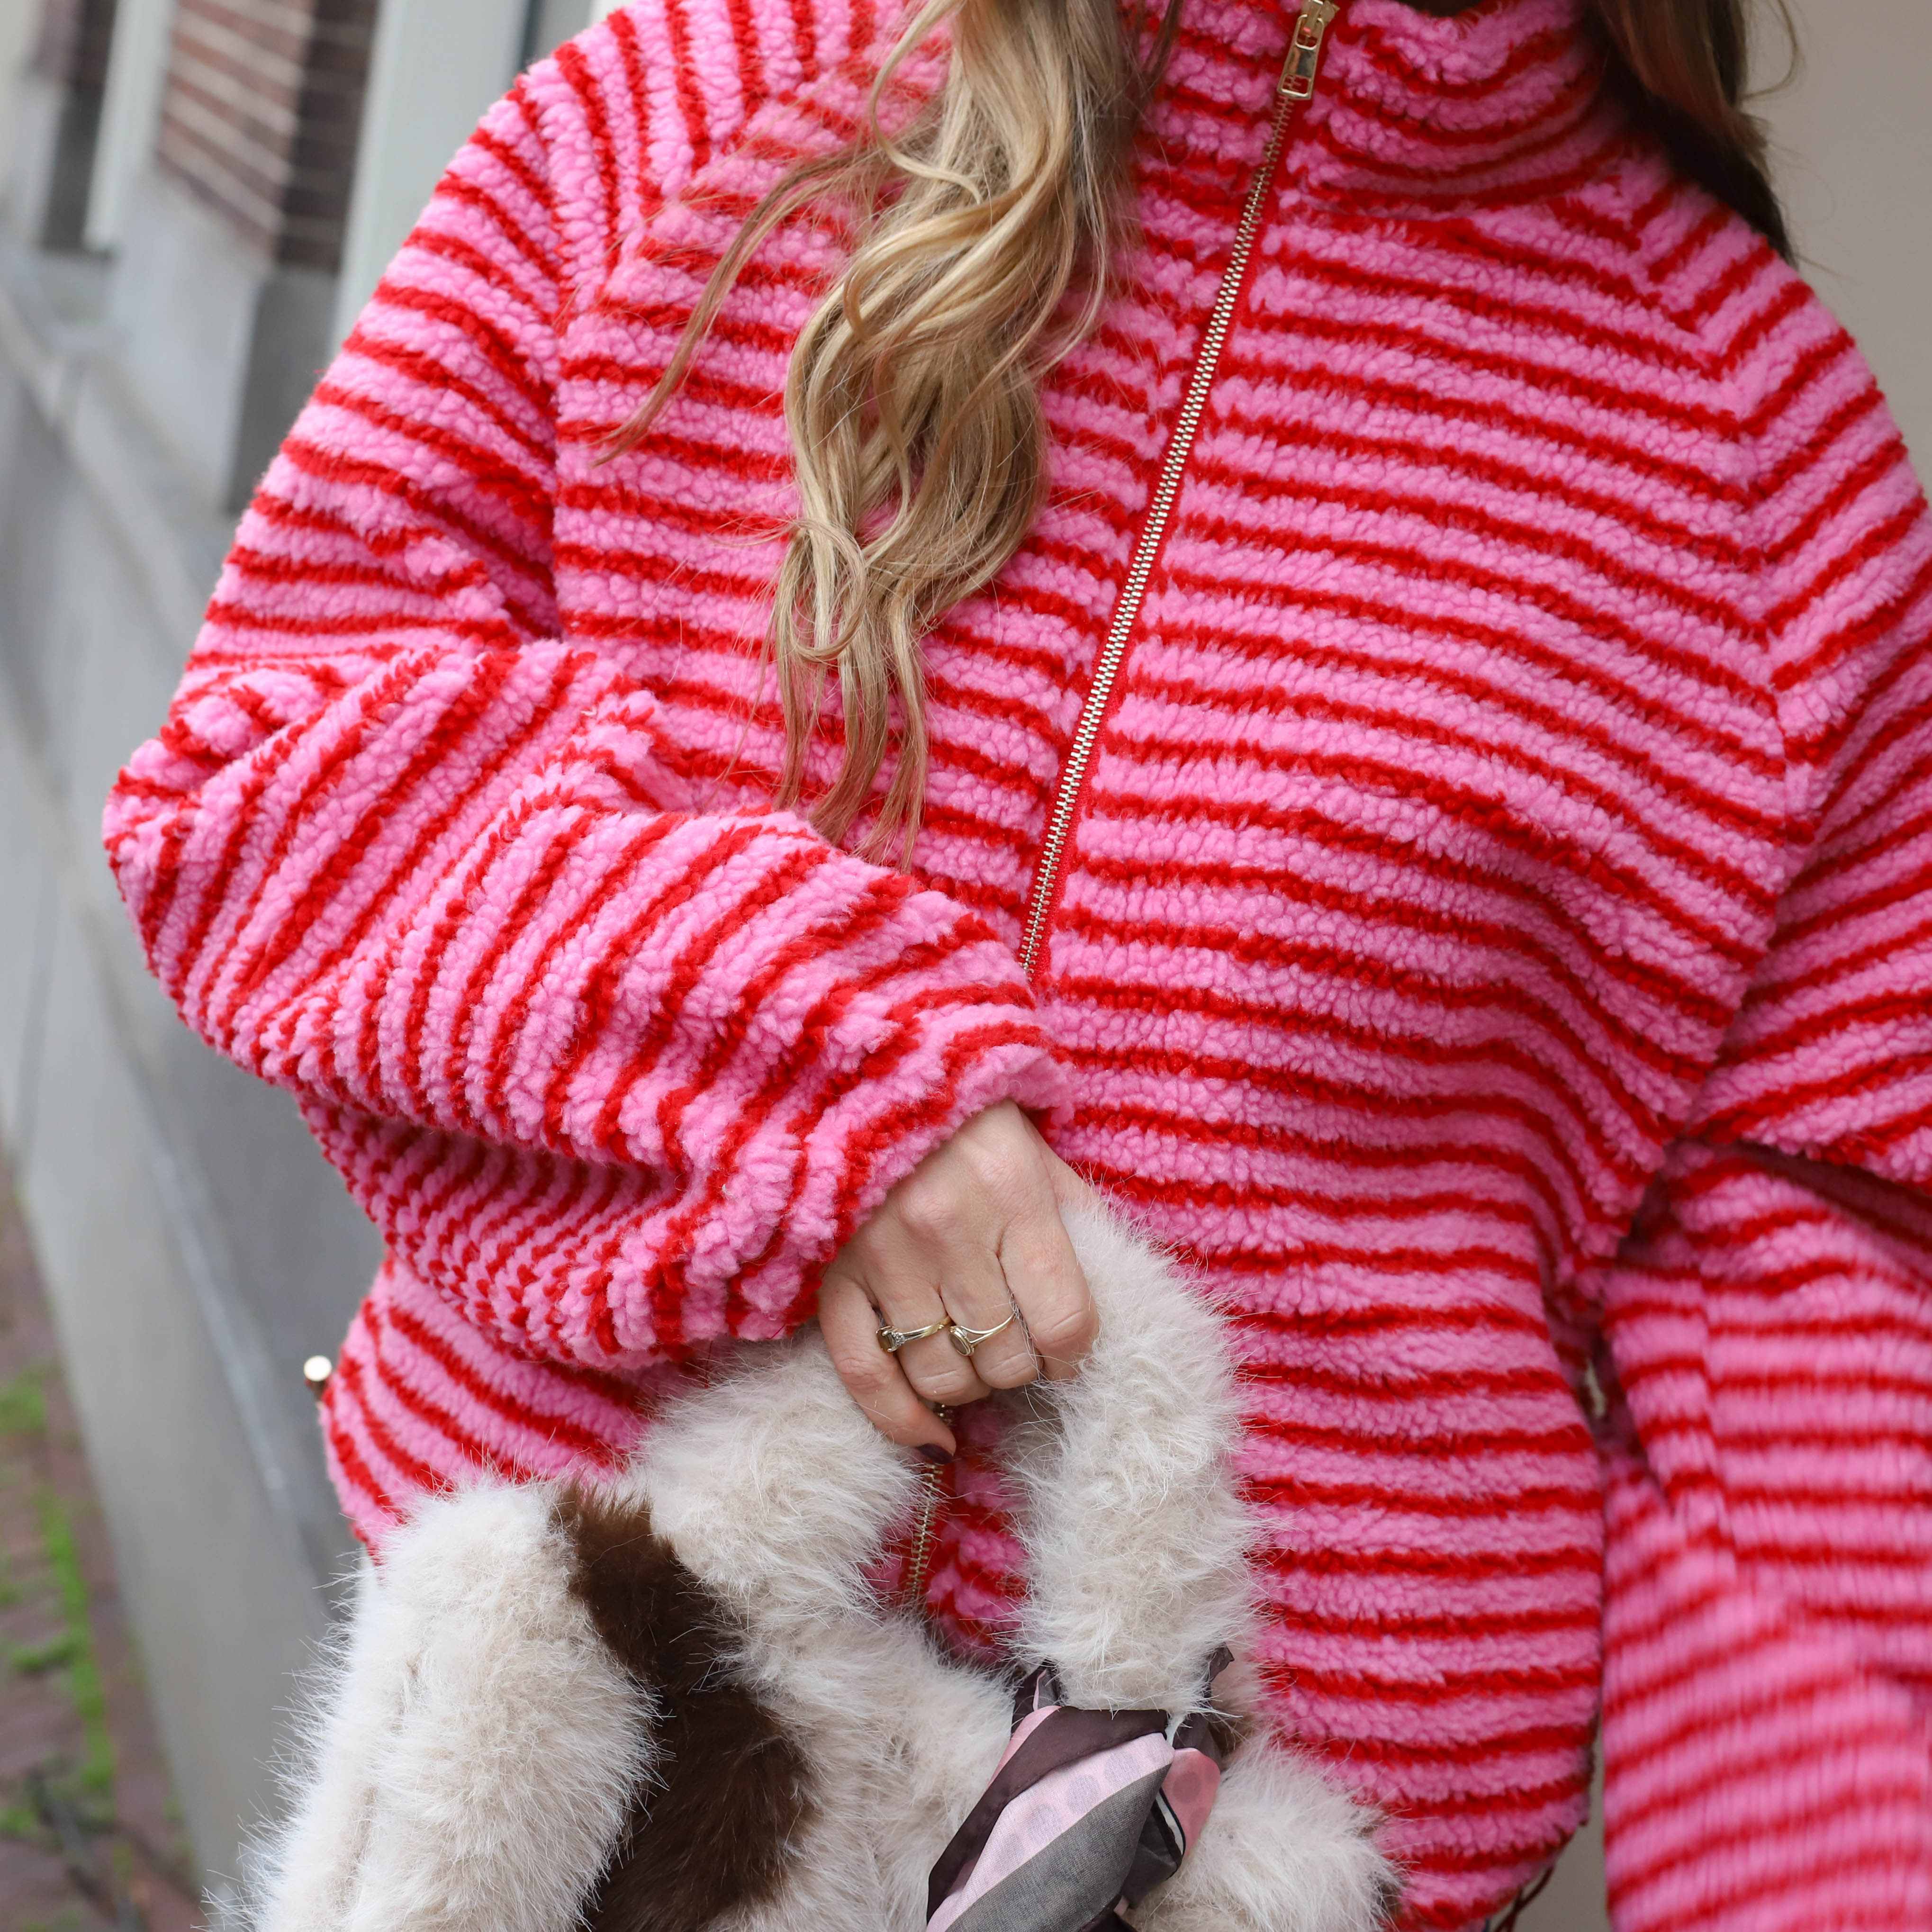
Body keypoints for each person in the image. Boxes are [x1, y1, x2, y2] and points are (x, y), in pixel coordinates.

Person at [103, 0, 1931, 1924]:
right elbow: (266, 780)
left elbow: (1829, 1328)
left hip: (1238, 1869)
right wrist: (810, 1071)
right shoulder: (674, 121)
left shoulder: (1765, 461)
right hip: (592, 1776)